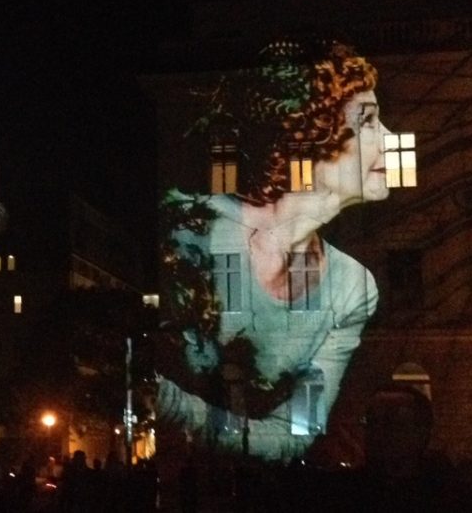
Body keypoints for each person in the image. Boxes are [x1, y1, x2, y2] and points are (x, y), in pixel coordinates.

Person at [156, 41, 392, 461]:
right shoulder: (195, 228)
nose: (390, 140)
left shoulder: (354, 288)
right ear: (309, 134)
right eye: (370, 121)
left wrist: (170, 405)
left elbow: (296, 431)